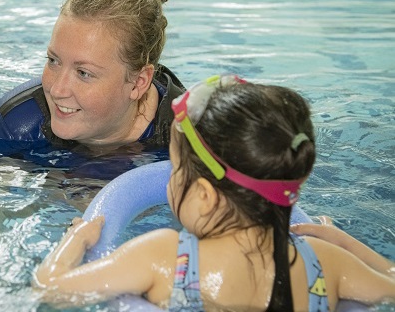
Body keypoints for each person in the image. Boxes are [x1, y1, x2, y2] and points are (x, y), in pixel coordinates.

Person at [34, 75, 395, 310]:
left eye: (176, 171)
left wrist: (77, 238)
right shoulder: (325, 261)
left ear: (204, 196)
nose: (171, 180)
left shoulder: (163, 255)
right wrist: (343, 242)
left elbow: (49, 288)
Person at [0, 0, 185, 179]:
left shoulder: (192, 139)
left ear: (138, 83)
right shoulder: (14, 126)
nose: (57, 90)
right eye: (53, 61)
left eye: (84, 73)